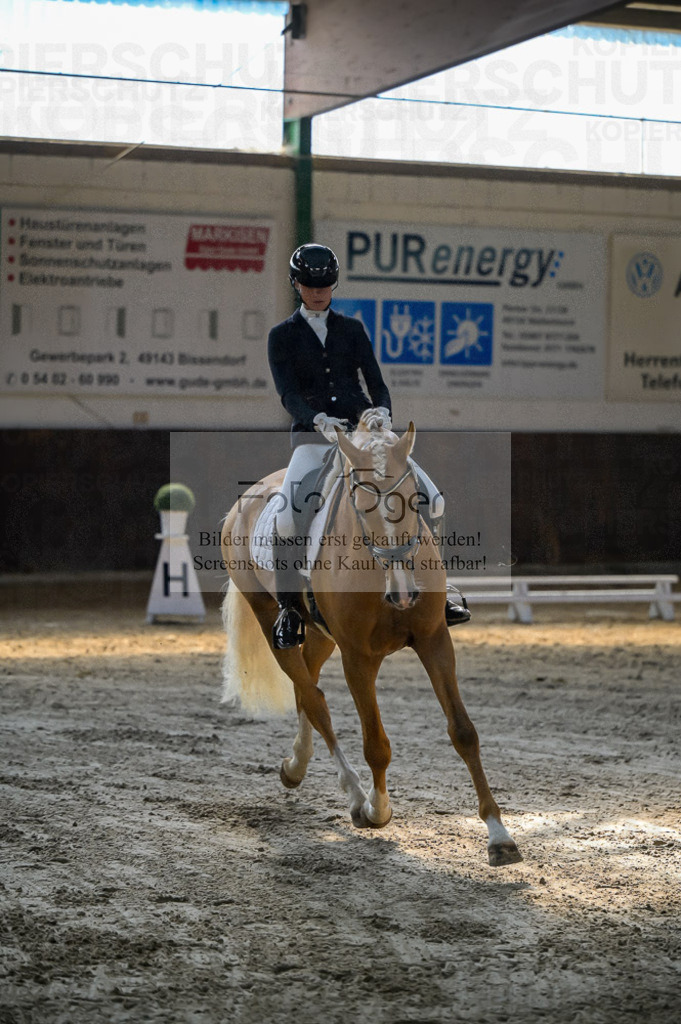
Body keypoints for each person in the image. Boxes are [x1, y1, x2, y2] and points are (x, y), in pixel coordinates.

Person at [267, 243, 470, 649]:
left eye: (324, 285)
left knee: (432, 497)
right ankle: (290, 609)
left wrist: (382, 415)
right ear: (296, 284)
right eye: (309, 285)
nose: (318, 292)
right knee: (289, 515)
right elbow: (288, 393)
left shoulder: (353, 329)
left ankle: (440, 589)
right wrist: (316, 419)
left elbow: (376, 383)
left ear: (334, 284)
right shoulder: (281, 336)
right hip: (313, 438)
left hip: (365, 431)